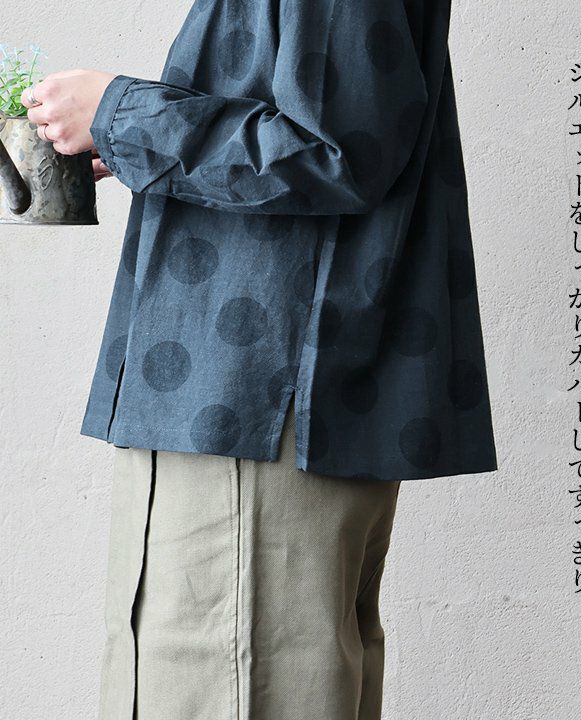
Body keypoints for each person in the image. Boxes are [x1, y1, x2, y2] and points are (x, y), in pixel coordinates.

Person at [21, 0, 498, 716]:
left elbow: (338, 152)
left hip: (258, 396)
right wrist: (130, 133)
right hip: (241, 391)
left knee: (227, 679)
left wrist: (123, 115)